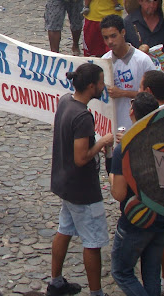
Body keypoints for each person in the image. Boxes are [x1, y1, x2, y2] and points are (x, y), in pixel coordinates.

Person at [47, 63, 114, 296]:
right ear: (90, 86)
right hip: (82, 190)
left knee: (64, 229)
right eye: (100, 82)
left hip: (65, 183)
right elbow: (82, 157)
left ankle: (55, 283)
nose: (103, 86)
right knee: (93, 242)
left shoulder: (66, 100)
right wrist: (103, 142)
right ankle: (97, 293)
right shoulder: (83, 117)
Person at [110, 92, 164, 296]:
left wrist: (112, 173)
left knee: (122, 273)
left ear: (132, 111)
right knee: (152, 274)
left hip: (136, 221)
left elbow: (119, 193)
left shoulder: (126, 148)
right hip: (162, 217)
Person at [101, 14, 155, 129]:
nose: (110, 41)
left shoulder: (142, 60)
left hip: (139, 125)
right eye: (106, 38)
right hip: (114, 125)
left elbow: (153, 97)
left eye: (113, 36)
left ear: (123, 32)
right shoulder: (104, 61)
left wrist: (123, 93)